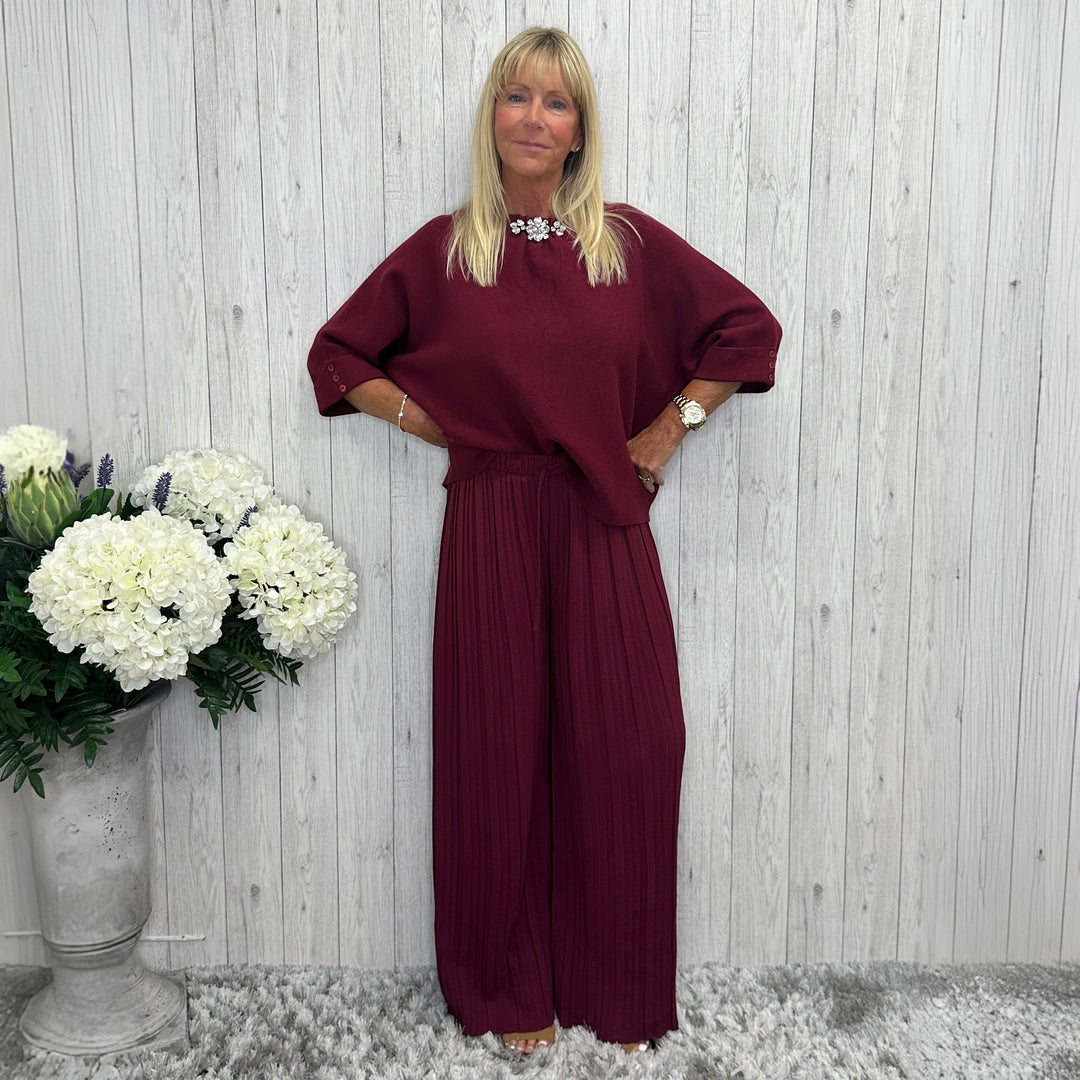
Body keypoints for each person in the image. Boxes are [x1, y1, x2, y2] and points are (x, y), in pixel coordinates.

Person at [308, 26, 781, 1056]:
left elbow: (748, 331)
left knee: (633, 746)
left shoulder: (628, 245)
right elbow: (339, 354)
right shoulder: (446, 251)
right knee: (499, 755)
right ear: (493, 117)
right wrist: (433, 423)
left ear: (579, 130)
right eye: (516, 96)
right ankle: (507, 983)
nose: (533, 117)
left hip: (606, 511)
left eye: (556, 102)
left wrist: (667, 430)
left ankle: (617, 983)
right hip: (493, 519)